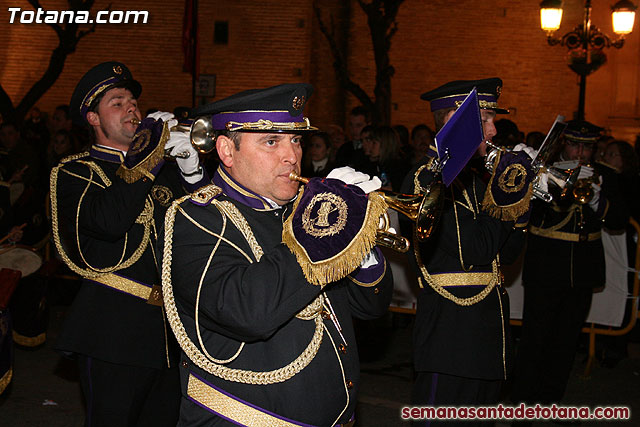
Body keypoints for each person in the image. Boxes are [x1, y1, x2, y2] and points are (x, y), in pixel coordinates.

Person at [159, 83, 393, 426]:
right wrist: (322, 231)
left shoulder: (302, 211)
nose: (292, 155)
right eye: (272, 142)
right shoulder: (195, 217)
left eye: (296, 139)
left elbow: (370, 305)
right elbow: (246, 312)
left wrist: (360, 236)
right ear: (226, 150)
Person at [49, 61, 209, 426]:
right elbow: (110, 221)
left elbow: (210, 231)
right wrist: (149, 155)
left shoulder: (162, 170)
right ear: (92, 118)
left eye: (133, 101)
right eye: (117, 102)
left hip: (171, 334)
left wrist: (191, 172)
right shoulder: (76, 172)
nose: (132, 108)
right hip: (112, 332)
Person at [400, 78, 533, 421]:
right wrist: (506, 198)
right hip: (451, 335)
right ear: (453, 122)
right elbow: (473, 251)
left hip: (487, 328)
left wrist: (518, 207)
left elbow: (505, 255)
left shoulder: (475, 177)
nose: (492, 132)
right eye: (485, 121)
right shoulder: (429, 180)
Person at [511, 120, 628, 408]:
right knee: (535, 339)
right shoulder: (543, 173)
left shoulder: (603, 176)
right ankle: (523, 404)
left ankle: (551, 400)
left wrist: (597, 200)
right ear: (564, 144)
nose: (582, 152)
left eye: (587, 147)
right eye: (575, 145)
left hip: (584, 269)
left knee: (566, 341)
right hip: (547, 267)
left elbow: (619, 221)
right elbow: (533, 215)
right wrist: (559, 182)